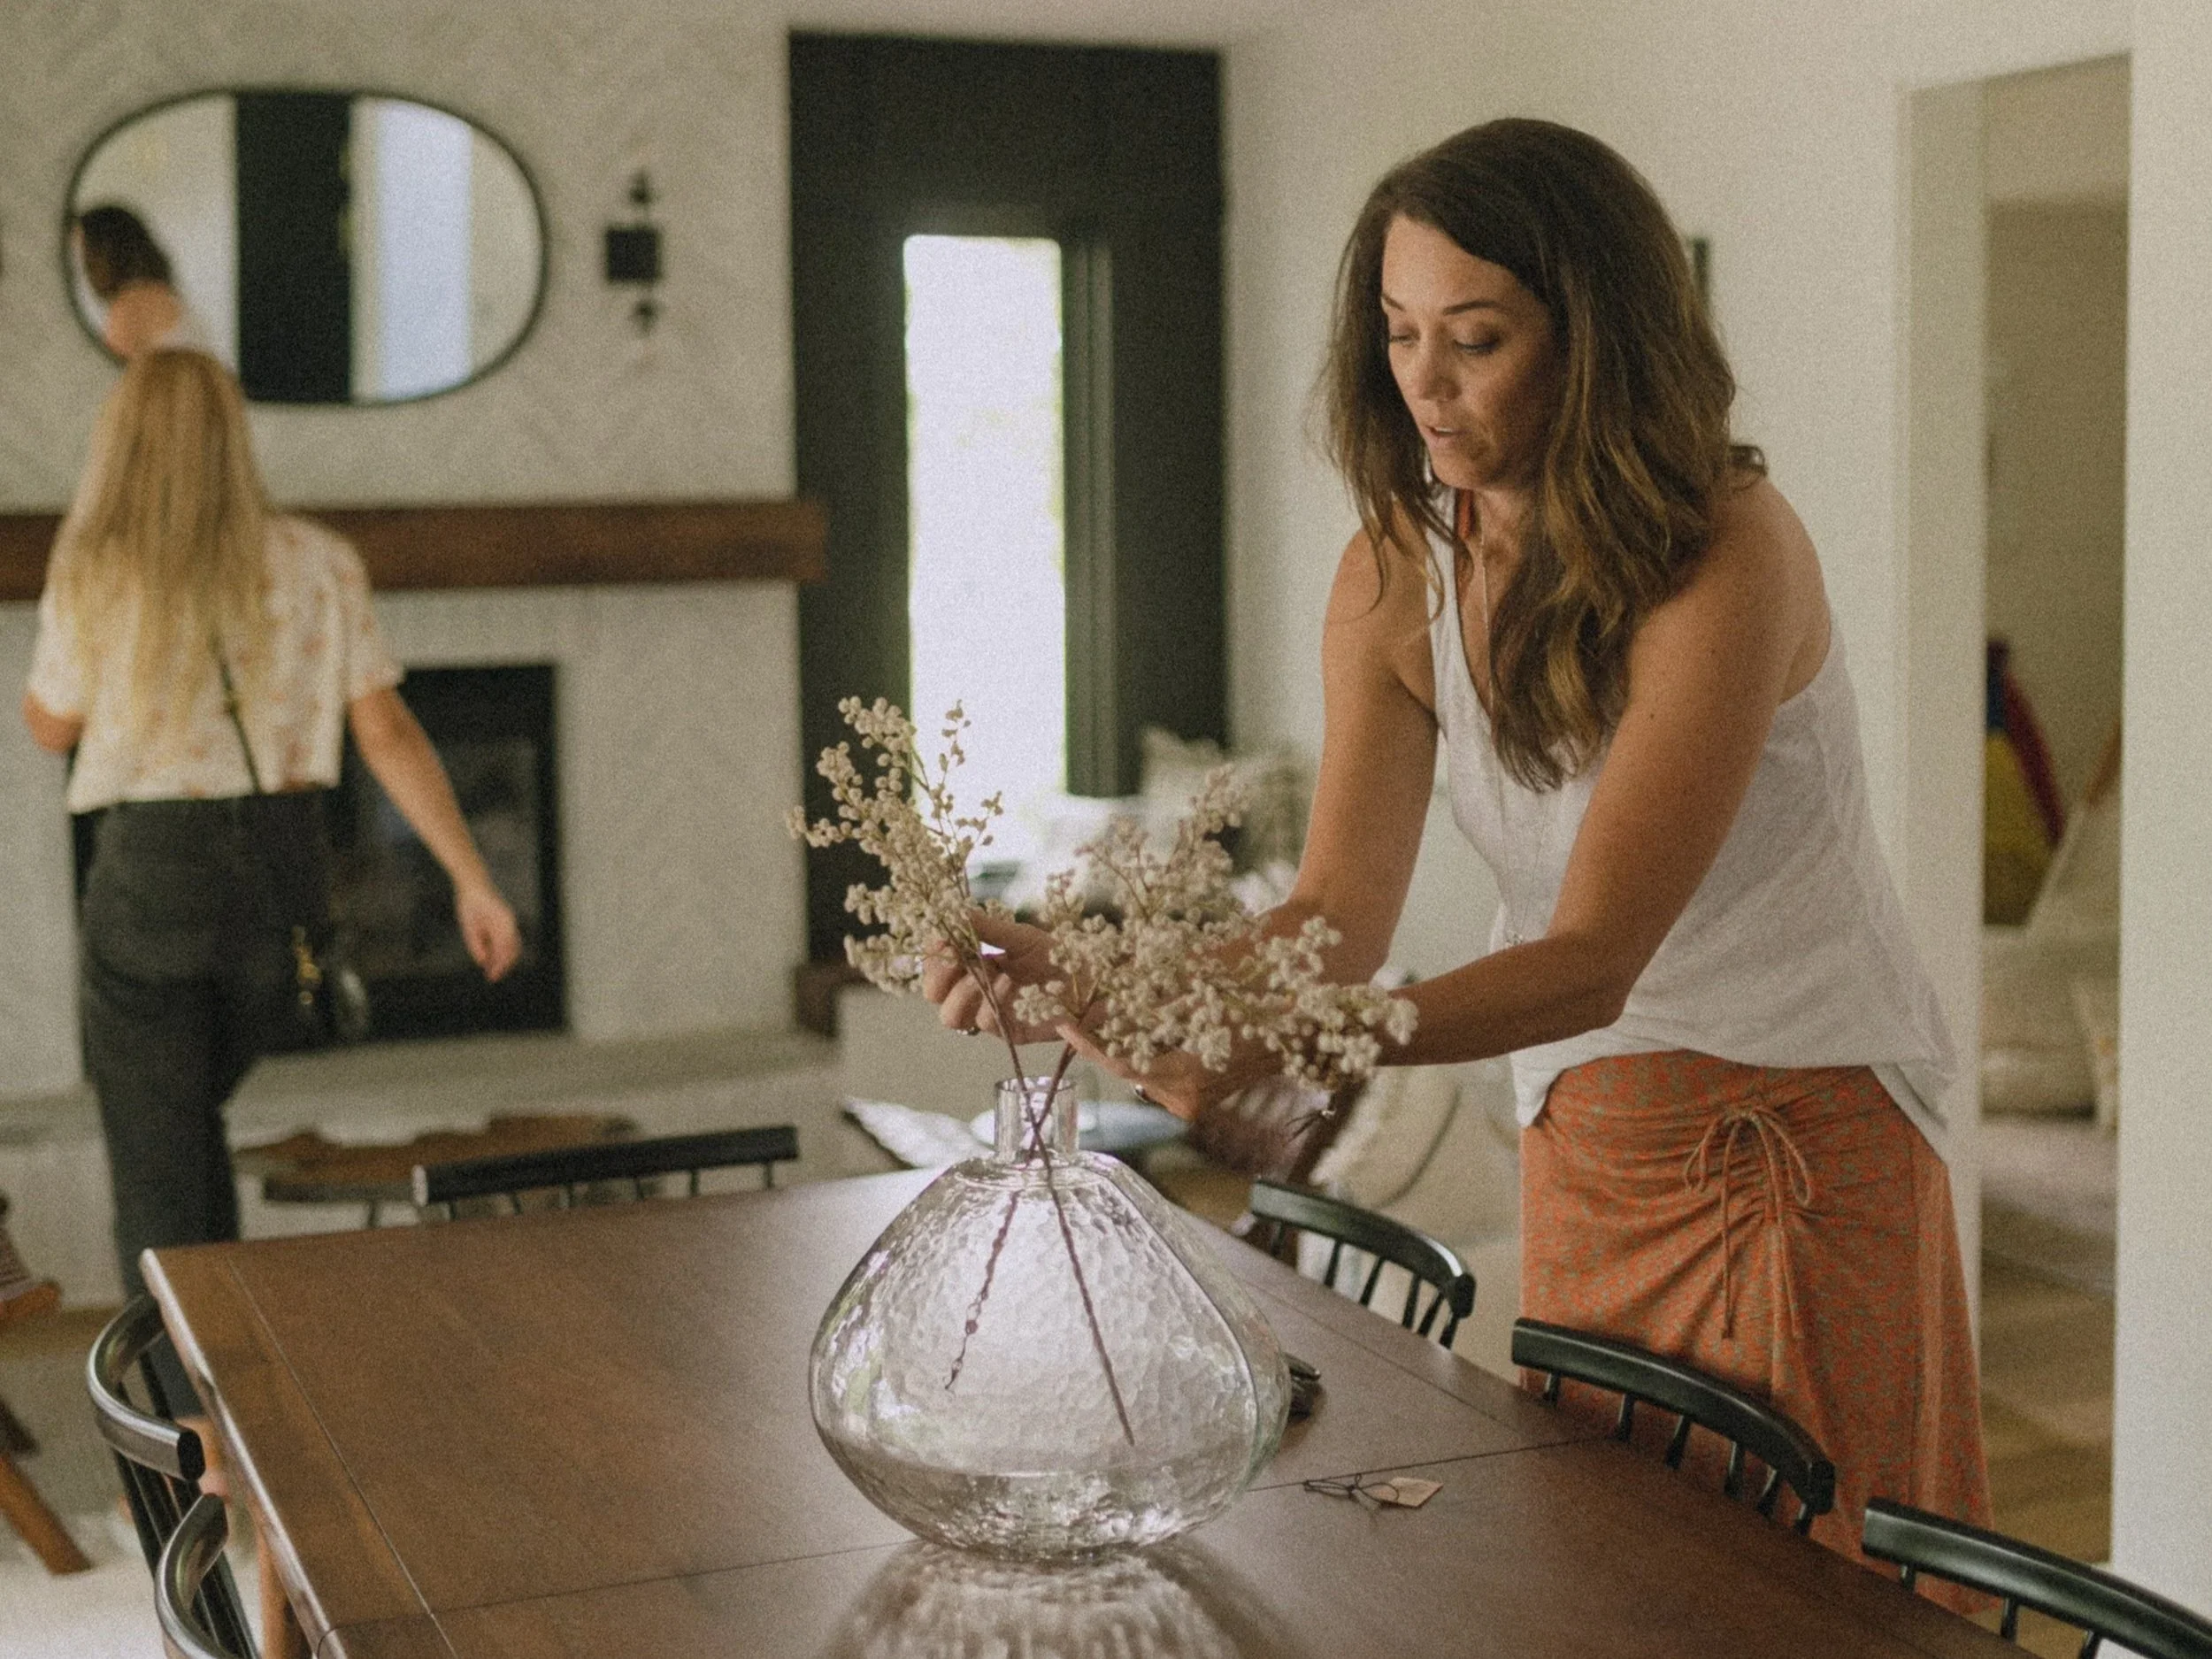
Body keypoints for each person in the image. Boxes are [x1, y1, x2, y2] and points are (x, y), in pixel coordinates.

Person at [927, 119, 1991, 1586]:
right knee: (1616, 1582)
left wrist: (1289, 1036)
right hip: (1585, 1141)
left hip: (1790, 1152)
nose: (1421, 379)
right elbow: (1328, 926)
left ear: (1597, 339)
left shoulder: (1729, 554)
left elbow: (1593, 959)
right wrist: (1107, 975)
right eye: (1398, 330)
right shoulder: (1394, 573)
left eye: (1475, 337)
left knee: (1809, 1601)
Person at [20, 349, 522, 1317]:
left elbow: (50, 725)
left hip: (155, 882)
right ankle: (236, 1401)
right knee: (190, 1126)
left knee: (158, 1172)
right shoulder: (319, 560)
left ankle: (186, 1446)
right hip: (285, 873)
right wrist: (473, 881)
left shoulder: (98, 566)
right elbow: (385, 730)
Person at [72, 204, 212, 359]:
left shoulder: (130, 307)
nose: (80, 261)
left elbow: (112, 375)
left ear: (102, 252)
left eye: (84, 249)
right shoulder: (162, 293)